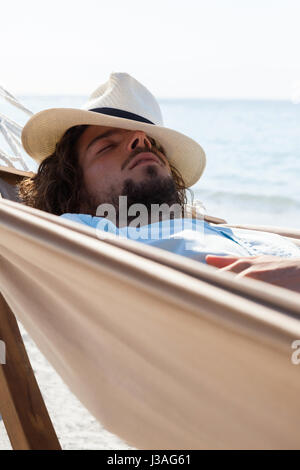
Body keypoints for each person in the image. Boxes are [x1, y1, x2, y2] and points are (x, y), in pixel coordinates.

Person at [19, 72, 300, 293]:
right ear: (72, 186)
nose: (140, 140)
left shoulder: (212, 230)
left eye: (150, 142)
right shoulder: (82, 240)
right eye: (106, 146)